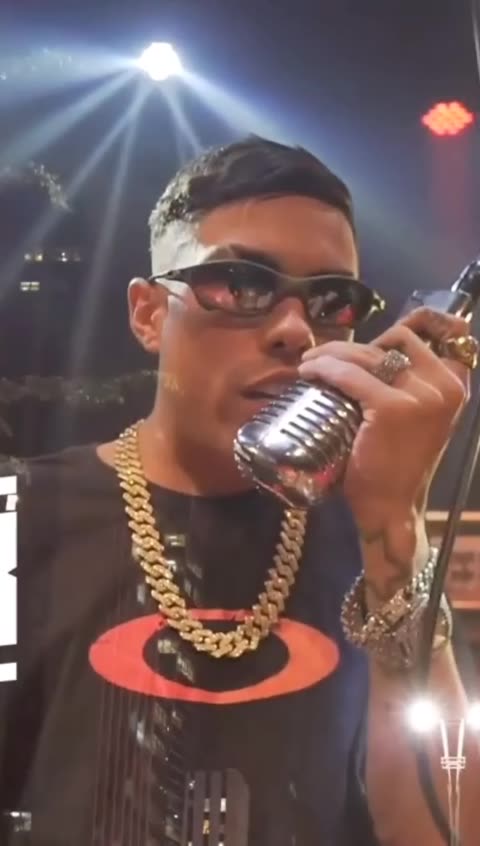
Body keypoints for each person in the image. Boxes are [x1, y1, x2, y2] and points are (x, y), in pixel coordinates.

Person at [0, 136, 479, 846]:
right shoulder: (19, 514)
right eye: (239, 286)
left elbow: (448, 829)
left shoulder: (371, 531)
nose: (295, 330)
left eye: (331, 300)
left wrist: (396, 527)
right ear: (149, 314)